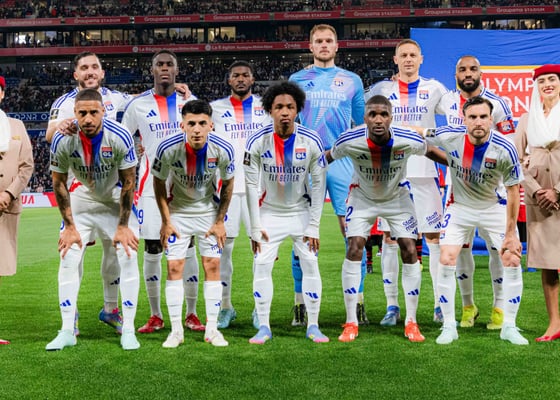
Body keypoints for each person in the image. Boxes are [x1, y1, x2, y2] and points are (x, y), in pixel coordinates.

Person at [329, 95, 444, 343]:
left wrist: (459, 164)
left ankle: (411, 321)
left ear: (391, 117)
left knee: (409, 249)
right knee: (354, 247)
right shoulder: (350, 140)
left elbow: (431, 151)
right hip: (362, 197)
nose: (378, 119)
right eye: (373, 114)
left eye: (384, 114)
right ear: (365, 118)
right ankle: (351, 321)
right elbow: (327, 157)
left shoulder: (407, 138)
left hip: (397, 197)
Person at [421, 96, 527, 345]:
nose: (478, 122)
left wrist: (511, 234)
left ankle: (509, 326)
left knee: (512, 258)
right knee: (447, 257)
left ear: (491, 119)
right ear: (464, 119)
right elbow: (420, 132)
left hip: (493, 207)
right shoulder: (449, 135)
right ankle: (449, 325)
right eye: (472, 117)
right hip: (460, 207)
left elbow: (513, 190)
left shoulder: (505, 147)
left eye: (483, 117)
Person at [46, 89, 140, 351]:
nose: (88, 119)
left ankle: (128, 329)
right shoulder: (63, 138)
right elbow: (59, 183)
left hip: (113, 199)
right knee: (68, 255)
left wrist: (123, 226)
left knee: (128, 253)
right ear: (75, 113)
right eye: (82, 113)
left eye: (93, 112)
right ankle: (67, 330)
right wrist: (69, 226)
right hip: (82, 199)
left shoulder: (119, 135)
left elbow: (129, 182)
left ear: (103, 112)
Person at [365, 38, 447, 327]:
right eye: (404, 55)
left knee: (433, 238)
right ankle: (392, 306)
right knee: (389, 239)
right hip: (390, 174)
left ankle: (439, 304)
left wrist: (427, 132)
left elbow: (454, 117)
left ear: (421, 59)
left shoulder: (434, 88)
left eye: (413, 55)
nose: (409, 59)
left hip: (424, 173)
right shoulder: (381, 90)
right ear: (395, 59)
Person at [121, 50, 203, 334]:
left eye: (169, 64)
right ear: (152, 70)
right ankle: (155, 315)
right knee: (153, 246)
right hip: (150, 184)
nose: (165, 68)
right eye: (160, 64)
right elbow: (123, 139)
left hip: (187, 183)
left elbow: (207, 133)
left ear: (177, 70)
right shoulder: (138, 105)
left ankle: (191, 313)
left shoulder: (188, 101)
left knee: (188, 246)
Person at [289, 24, 366, 326]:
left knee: (353, 232)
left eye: (328, 40)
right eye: (318, 41)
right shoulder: (297, 80)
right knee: (302, 233)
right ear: (310, 46)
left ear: (337, 45)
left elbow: (361, 123)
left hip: (342, 161)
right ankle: (301, 303)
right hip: (307, 162)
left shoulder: (352, 80)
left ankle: (357, 302)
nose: (323, 45)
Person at [244, 81, 328, 344]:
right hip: (269, 213)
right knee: (261, 265)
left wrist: (314, 225)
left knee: (310, 263)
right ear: (270, 110)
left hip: (301, 212)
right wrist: (254, 227)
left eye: (290, 107)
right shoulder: (257, 141)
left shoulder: (311, 140)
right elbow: (250, 185)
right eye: (278, 107)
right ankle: (264, 326)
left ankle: (313, 325)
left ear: (297, 110)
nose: (284, 112)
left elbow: (319, 186)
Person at [439, 55, 515, 330]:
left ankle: (499, 307)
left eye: (473, 69)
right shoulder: (446, 101)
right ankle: (468, 306)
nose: (468, 73)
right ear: (456, 74)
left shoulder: (499, 103)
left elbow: (510, 140)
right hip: (458, 189)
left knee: (498, 250)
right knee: (460, 250)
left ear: (480, 73)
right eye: (462, 69)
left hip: (493, 188)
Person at [152, 99, 234, 348]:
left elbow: (228, 184)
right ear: (182, 125)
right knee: (174, 267)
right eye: (191, 124)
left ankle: (212, 329)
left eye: (201, 123)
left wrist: (220, 221)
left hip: (208, 212)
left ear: (211, 125)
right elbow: (158, 183)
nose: (196, 129)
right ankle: (176, 331)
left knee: (212, 266)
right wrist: (166, 221)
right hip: (178, 212)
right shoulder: (167, 148)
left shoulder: (223, 149)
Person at [210, 60, 272, 329]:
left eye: (245, 75)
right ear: (229, 80)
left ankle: (260, 309)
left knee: (262, 248)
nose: (240, 79)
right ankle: (226, 306)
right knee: (225, 249)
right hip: (228, 187)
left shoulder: (265, 107)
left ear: (253, 79)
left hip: (259, 187)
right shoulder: (215, 108)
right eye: (235, 75)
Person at [514, 64, 560, 342]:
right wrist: (536, 190)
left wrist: (557, 191)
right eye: (541, 81)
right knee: (548, 265)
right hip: (540, 201)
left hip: (557, 194)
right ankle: (554, 324)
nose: (547, 85)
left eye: (552, 79)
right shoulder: (526, 119)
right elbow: (514, 160)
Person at [0, 76, 34, 345]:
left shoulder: (16, 126)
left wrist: (8, 193)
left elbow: (27, 166)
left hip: (6, 206)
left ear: (2, 94)